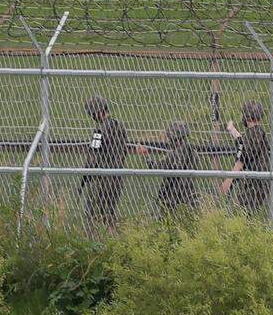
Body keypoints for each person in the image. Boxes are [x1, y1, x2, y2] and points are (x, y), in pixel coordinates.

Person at [79, 95, 127, 231]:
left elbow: (93, 155)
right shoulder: (120, 126)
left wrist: (86, 174)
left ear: (99, 112)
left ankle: (94, 241)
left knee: (92, 215)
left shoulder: (99, 130)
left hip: (101, 179)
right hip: (117, 177)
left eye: (92, 114)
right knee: (109, 214)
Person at [136, 121, 199, 220]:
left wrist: (146, 156)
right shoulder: (192, 151)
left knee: (167, 221)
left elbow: (156, 167)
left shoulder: (175, 153)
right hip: (188, 194)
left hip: (173, 196)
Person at [218, 99, 269, 215]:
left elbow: (242, 159)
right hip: (255, 183)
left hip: (255, 185)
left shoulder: (254, 134)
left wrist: (228, 181)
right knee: (240, 212)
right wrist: (233, 131)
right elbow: (245, 145)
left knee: (241, 214)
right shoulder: (255, 132)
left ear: (247, 116)